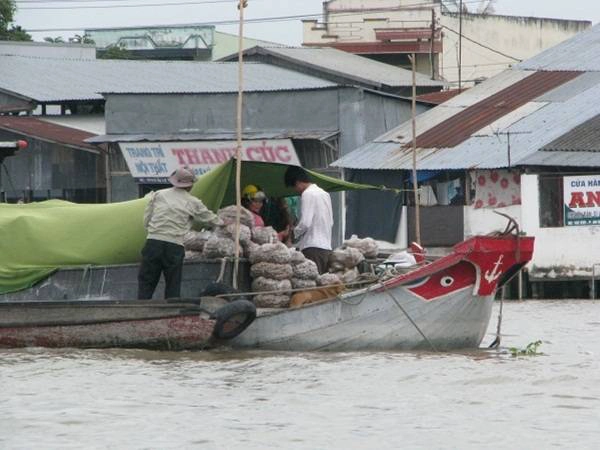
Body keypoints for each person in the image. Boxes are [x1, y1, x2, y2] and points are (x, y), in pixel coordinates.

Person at [138, 167, 221, 299]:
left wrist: (154, 232)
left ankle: (140, 311)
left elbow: (146, 219)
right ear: (190, 185)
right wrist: (226, 222)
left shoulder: (159, 195)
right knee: (173, 284)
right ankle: (171, 312)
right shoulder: (193, 202)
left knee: (146, 282)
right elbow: (211, 219)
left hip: (153, 243)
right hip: (174, 246)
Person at [284, 166, 333, 274]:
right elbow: (331, 222)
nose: (296, 191)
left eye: (294, 187)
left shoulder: (307, 194)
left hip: (312, 248)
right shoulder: (325, 194)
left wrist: (292, 235)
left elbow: (305, 223)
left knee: (311, 287)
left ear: (297, 182)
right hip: (326, 248)